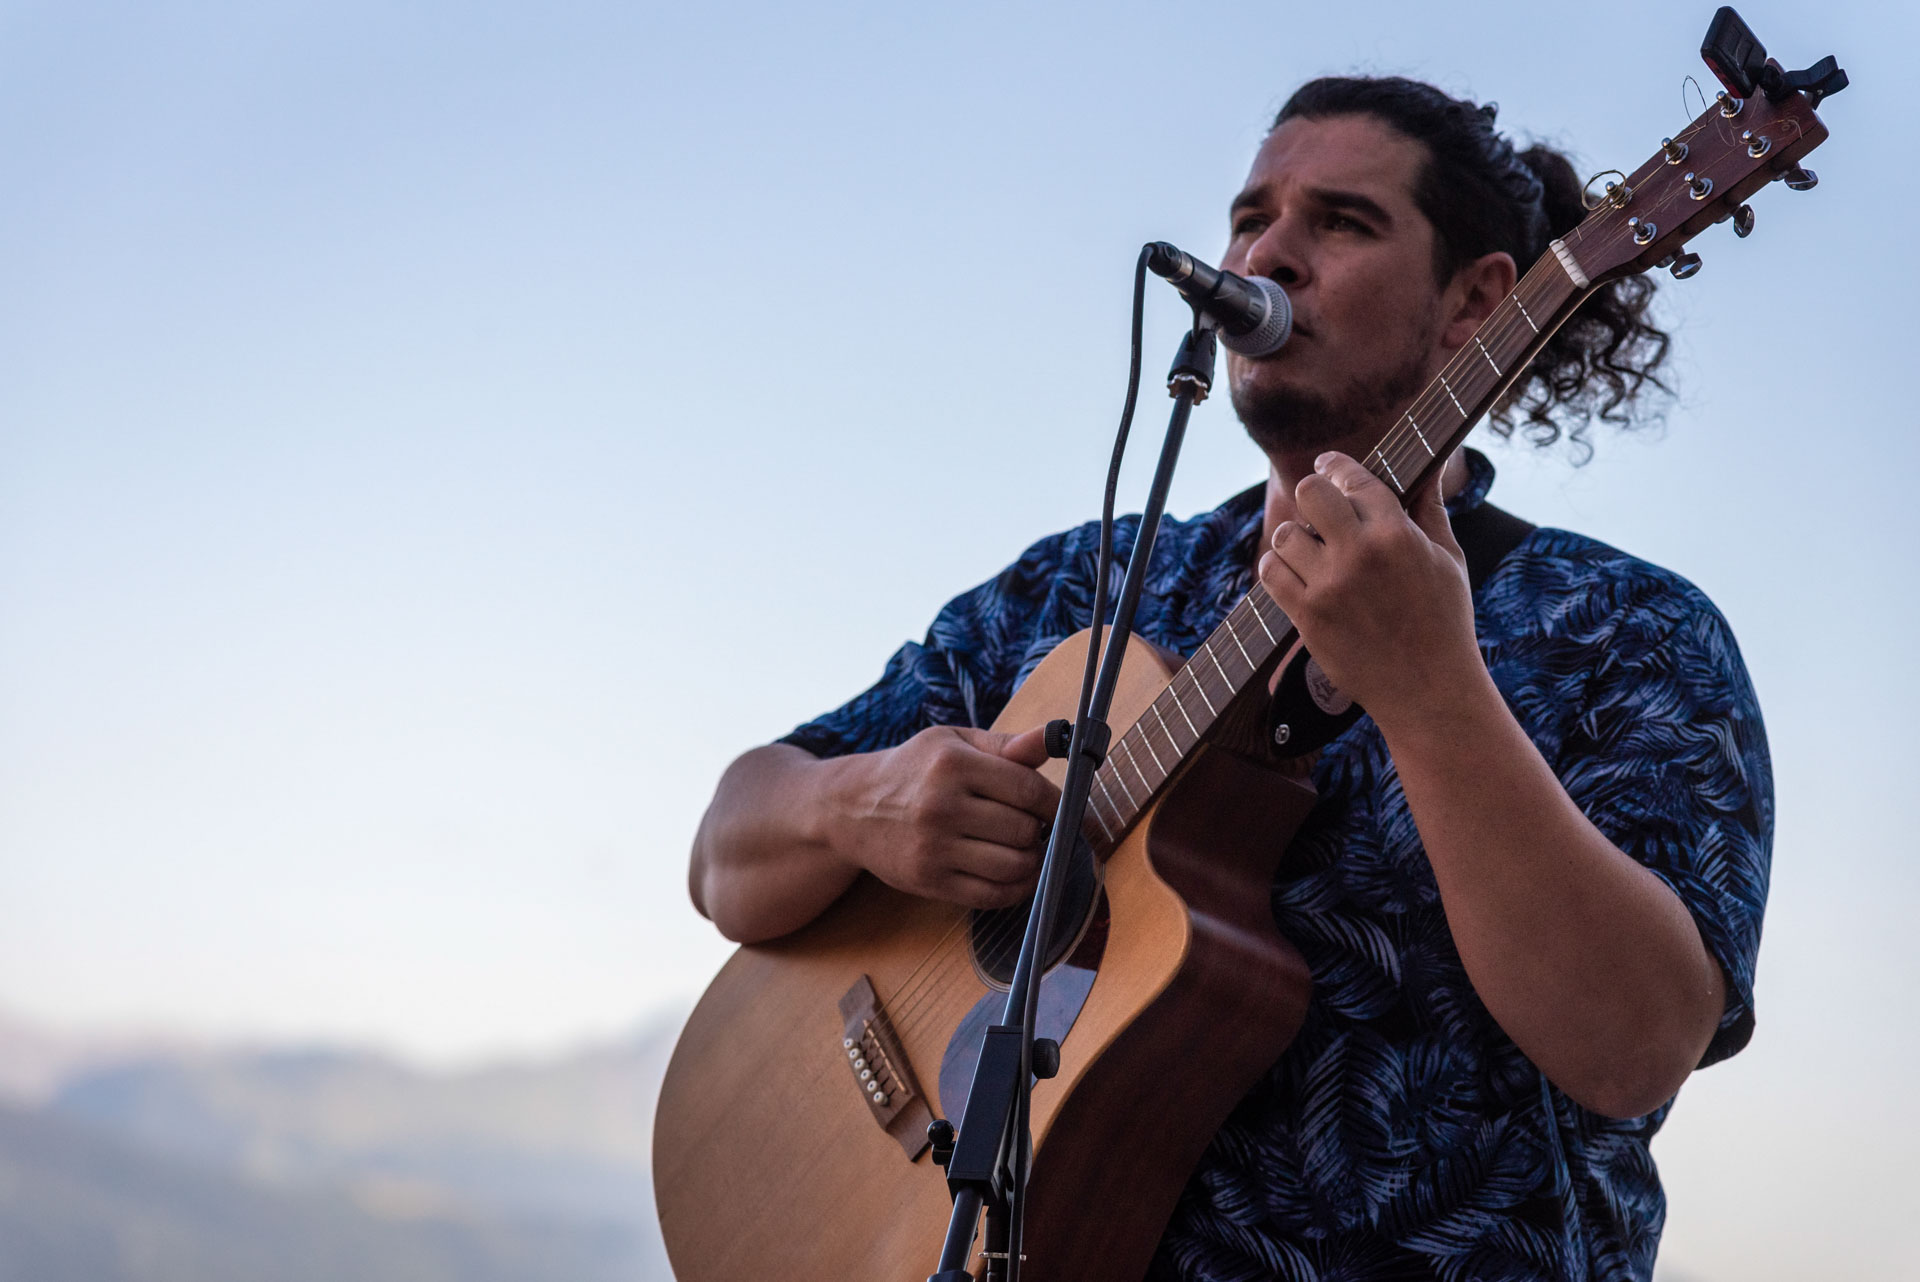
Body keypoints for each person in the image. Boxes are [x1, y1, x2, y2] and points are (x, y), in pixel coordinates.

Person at [687, 77, 1770, 1282]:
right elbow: (727, 850)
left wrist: (1431, 689)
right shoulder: (1087, 587)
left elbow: (1636, 1047)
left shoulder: (1623, 629)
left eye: (1343, 223)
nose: (1270, 252)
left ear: (1477, 300)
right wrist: (861, 804)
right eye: (1252, 216)